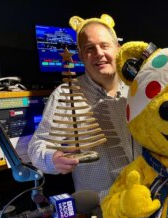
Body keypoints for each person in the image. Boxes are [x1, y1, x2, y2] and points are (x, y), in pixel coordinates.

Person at [28, 14, 141, 201]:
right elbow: (36, 148)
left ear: (118, 48)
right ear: (80, 55)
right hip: (100, 206)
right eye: (90, 48)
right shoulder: (65, 95)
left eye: (104, 45)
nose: (99, 53)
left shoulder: (137, 88)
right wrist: (52, 159)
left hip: (144, 197)